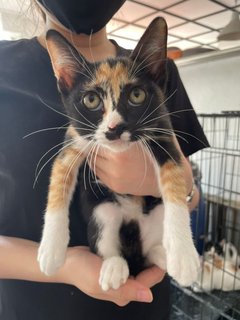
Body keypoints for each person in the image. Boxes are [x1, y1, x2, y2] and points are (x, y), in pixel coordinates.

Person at [0, 1, 209, 319]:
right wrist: (66, 267)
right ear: (65, 78)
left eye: (135, 96)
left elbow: (190, 193)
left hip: (147, 303)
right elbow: (64, 167)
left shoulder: (152, 73)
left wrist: (170, 185)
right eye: (93, 99)